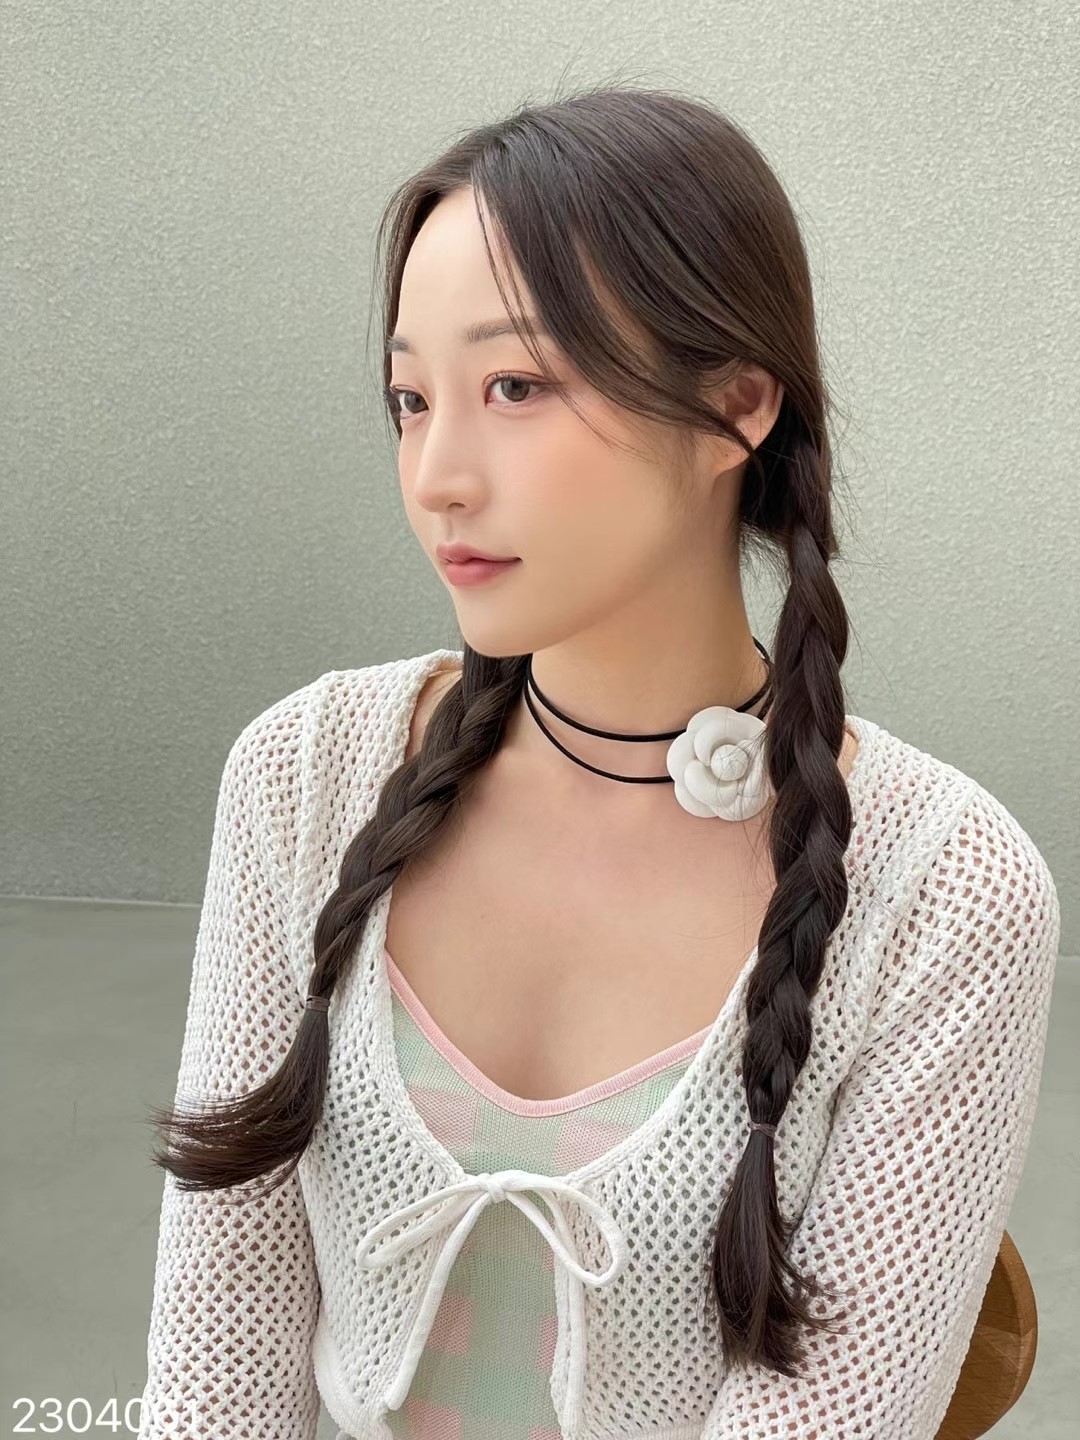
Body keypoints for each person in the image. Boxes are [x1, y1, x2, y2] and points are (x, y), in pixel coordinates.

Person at [136, 83, 1061, 1440]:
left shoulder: (949, 888)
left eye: (515, 387)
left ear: (736, 407)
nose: (437, 475)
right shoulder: (306, 774)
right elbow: (215, 1374)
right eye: (410, 399)